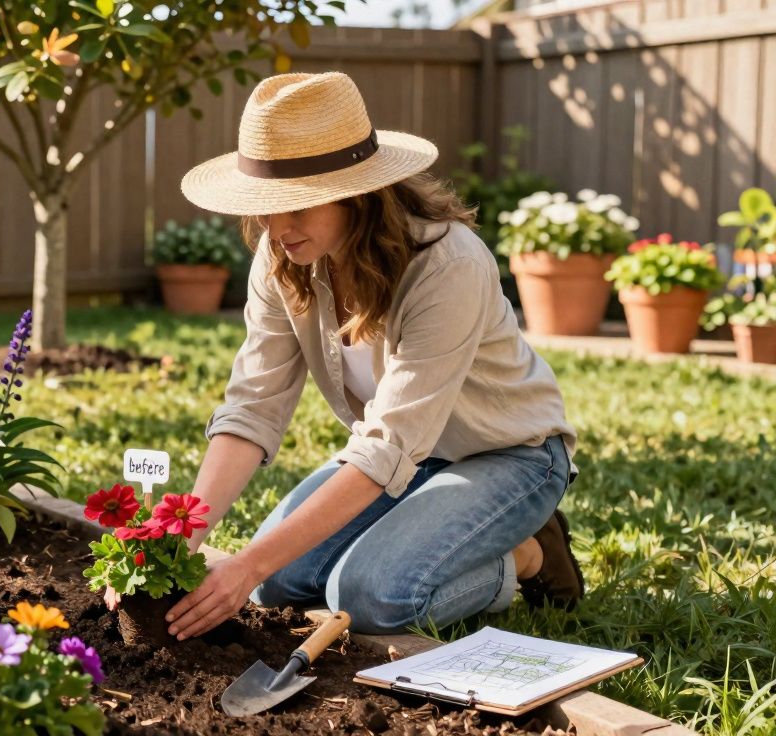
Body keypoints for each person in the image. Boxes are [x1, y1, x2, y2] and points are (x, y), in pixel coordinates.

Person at [164, 71, 584, 641]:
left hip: (510, 457)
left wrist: (246, 562)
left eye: (297, 206)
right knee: (278, 585)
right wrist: (180, 536)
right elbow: (253, 406)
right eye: (266, 206)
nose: (276, 226)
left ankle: (530, 555)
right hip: (403, 462)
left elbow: (389, 442)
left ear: (356, 190)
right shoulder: (281, 254)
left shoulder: (447, 265)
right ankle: (438, 530)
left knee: (366, 598)